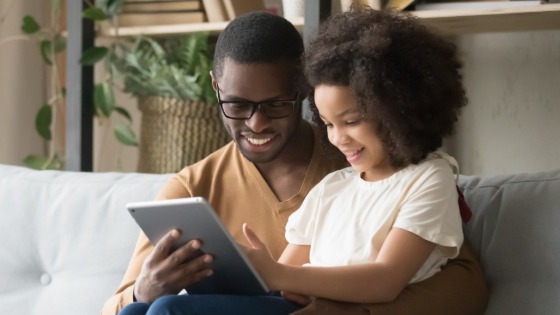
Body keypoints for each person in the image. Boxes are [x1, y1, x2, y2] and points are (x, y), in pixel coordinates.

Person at [102, 9, 488, 315]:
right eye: (237, 105)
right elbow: (115, 308)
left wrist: (360, 312)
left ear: (302, 89)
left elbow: (465, 285)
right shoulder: (190, 190)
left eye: (275, 105)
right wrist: (143, 290)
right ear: (216, 87)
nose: (256, 123)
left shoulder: (362, 161)